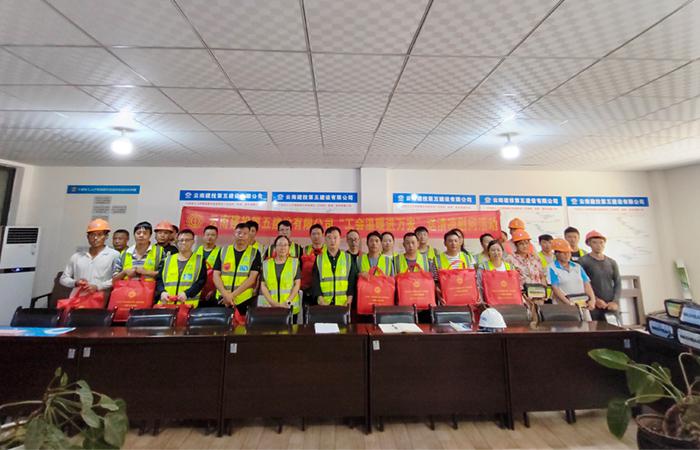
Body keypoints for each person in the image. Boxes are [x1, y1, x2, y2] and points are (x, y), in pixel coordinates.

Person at [212, 222, 262, 316]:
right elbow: (216, 275)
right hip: (222, 299)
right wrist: (226, 295)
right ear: (234, 234)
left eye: (245, 233)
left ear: (249, 235)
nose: (241, 236)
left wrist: (231, 296)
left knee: (242, 325)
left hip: (244, 300)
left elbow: (252, 279)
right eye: (239, 233)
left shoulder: (255, 253)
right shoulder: (224, 250)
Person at [60, 219, 120, 296]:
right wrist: (75, 282)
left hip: (99, 299)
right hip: (76, 298)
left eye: (99, 234)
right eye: (92, 235)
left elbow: (117, 278)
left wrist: (98, 287)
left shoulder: (114, 255)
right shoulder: (77, 256)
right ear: (88, 237)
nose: (95, 238)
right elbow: (63, 278)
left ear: (106, 236)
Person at [155, 229, 207, 307]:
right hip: (166, 304)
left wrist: (187, 293)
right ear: (177, 242)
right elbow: (159, 280)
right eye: (181, 240)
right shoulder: (167, 260)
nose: (184, 243)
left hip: (188, 305)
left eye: (187, 240)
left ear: (193, 242)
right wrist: (162, 292)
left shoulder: (199, 260)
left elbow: (201, 282)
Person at [579, 230, 620, 321]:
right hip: (592, 304)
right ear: (589, 244)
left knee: (614, 327)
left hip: (610, 305)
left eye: (601, 242)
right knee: (594, 328)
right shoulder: (583, 261)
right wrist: (595, 299)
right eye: (595, 242)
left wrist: (615, 301)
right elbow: (581, 284)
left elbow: (618, 283)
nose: (599, 245)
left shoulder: (612, 262)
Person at [259, 235, 302, 322]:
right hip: (270, 306)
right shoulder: (266, 264)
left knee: (290, 330)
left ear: (289, 247)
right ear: (275, 247)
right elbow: (263, 286)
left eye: (285, 245)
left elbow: (297, 285)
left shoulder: (294, 263)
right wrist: (273, 303)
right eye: (280, 245)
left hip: (289, 306)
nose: (282, 248)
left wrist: (288, 302)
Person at [312, 226, 357, 307]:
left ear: (340, 239)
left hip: (343, 304)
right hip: (324, 304)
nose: (332, 241)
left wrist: (348, 301)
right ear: (325, 240)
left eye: (335, 238)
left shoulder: (348, 258)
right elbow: (315, 282)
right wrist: (321, 300)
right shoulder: (319, 259)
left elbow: (352, 282)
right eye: (329, 238)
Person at [548, 238, 596, 311]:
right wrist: (569, 303)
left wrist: (592, 300)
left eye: (569, 253)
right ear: (557, 254)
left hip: (582, 303)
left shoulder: (577, 266)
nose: (567, 255)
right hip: (563, 306)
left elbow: (586, 284)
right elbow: (555, 288)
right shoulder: (552, 268)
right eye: (564, 253)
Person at [505, 229, 547, 312]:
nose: (524, 246)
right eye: (521, 244)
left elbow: (542, 277)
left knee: (540, 317)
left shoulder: (535, 259)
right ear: (515, 245)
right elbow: (509, 280)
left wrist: (543, 292)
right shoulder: (509, 260)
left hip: (538, 296)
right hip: (521, 298)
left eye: (526, 243)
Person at [436, 230, 476, 304]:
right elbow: (435, 282)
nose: (453, 243)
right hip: (447, 299)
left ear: (459, 242)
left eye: (455, 241)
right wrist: (439, 296)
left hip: (465, 296)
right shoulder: (437, 259)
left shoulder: (467, 257)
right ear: (445, 243)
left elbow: (473, 279)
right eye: (450, 241)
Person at [301, 224, 325, 307]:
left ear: (322, 235)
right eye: (313, 234)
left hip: (323, 289)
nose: (316, 236)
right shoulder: (304, 250)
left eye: (318, 234)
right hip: (307, 289)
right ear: (310, 236)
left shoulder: (328, 250)